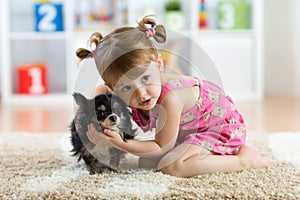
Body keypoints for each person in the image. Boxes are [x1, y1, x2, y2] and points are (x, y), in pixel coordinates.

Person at [75, 15, 271, 178]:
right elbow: (100, 93)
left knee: (171, 166)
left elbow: (160, 146)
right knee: (146, 161)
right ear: (114, 88)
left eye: (145, 78)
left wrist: (119, 143)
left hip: (216, 128)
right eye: (126, 88)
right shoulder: (115, 88)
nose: (141, 93)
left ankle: (242, 160)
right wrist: (86, 123)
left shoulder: (171, 98)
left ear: (159, 64)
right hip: (186, 131)